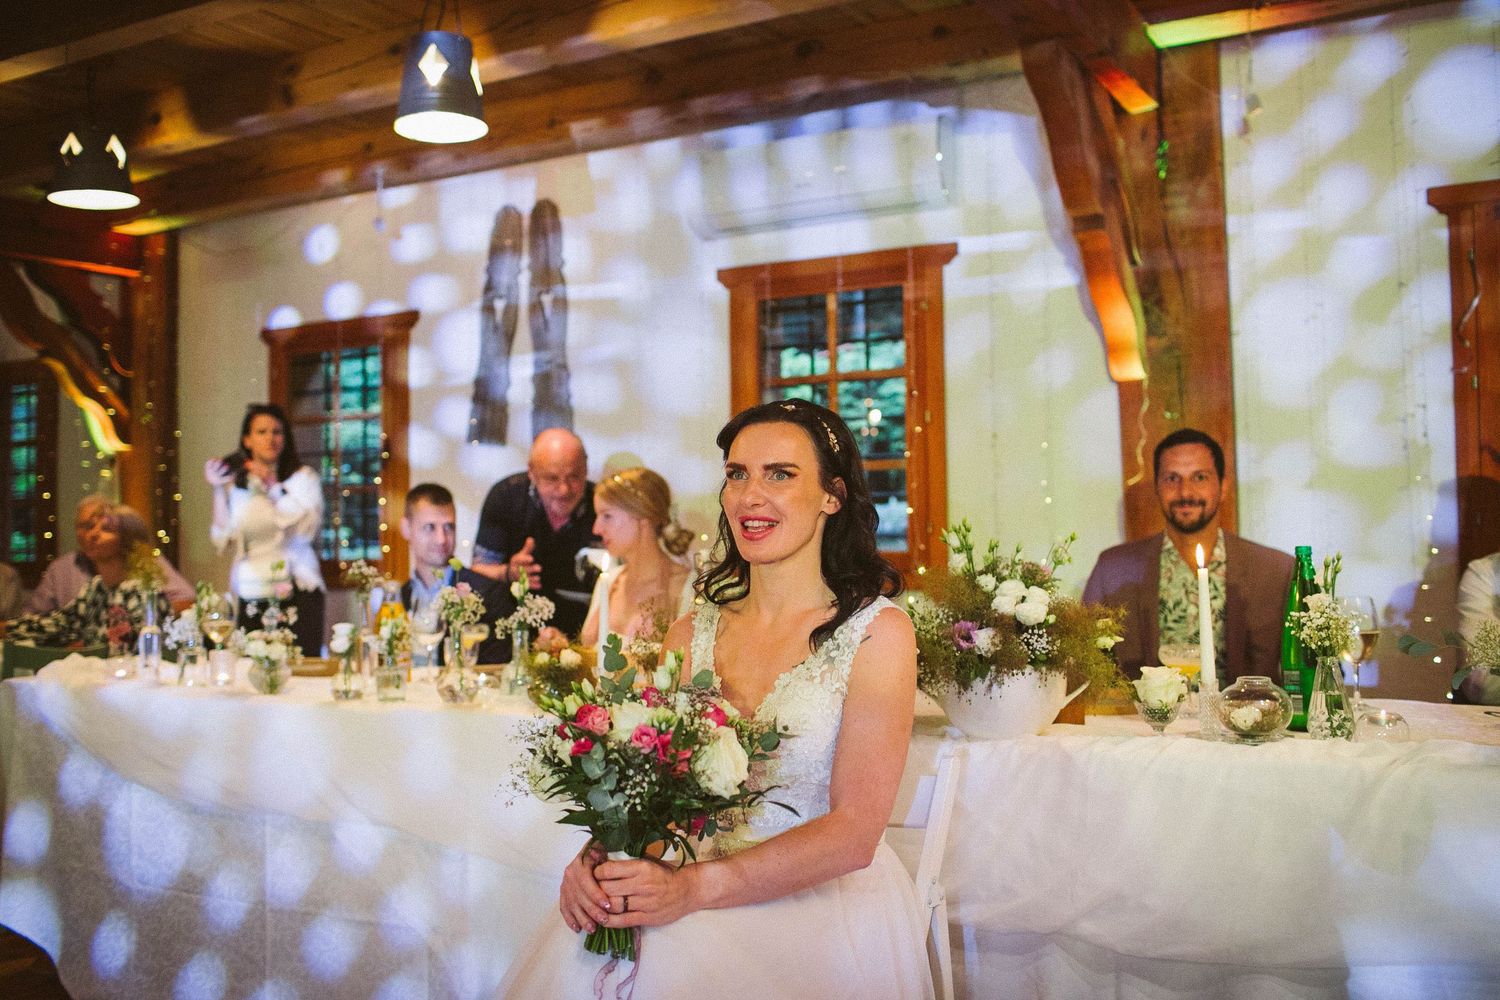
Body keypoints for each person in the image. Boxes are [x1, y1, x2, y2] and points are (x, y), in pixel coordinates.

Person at [501, 398, 932, 998]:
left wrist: (696, 889)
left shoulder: (877, 634)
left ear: (832, 496)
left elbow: (855, 831)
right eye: (737, 474)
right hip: (681, 873)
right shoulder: (690, 632)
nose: (751, 495)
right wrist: (599, 853)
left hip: (814, 905)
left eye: (780, 474)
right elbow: (642, 783)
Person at [1083, 428, 1293, 685]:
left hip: (1243, 722)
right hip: (1144, 723)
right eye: (1172, 478)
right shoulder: (1113, 570)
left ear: (1223, 487)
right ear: (1157, 488)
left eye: (1200, 477)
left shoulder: (1275, 571)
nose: (1185, 493)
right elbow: (1085, 665)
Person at [205, 404, 325, 656]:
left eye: (277, 432)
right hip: (252, 589)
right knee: (253, 665)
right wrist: (218, 488)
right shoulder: (237, 486)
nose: (270, 438)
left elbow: (305, 530)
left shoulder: (303, 479)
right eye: (261, 432)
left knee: (298, 666)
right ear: (247, 440)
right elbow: (221, 539)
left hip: (296, 587)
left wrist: (272, 487)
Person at [471, 428, 601, 637]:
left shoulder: (603, 506)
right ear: (531, 472)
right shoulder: (506, 497)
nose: (564, 490)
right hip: (516, 633)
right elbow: (477, 571)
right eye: (552, 478)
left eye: (574, 477)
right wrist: (508, 572)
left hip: (586, 636)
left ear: (586, 468)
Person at [5, 505, 171, 649]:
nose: (92, 535)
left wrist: (80, 652)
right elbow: (62, 624)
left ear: (128, 542)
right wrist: (7, 628)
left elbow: (125, 653)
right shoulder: (96, 588)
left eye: (106, 529)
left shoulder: (143, 592)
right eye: (91, 527)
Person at [579, 467, 697, 661]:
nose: (596, 528)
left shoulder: (686, 588)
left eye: (607, 516)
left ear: (643, 519)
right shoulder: (608, 582)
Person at [26, 494, 194, 614]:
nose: (92, 534)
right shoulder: (70, 574)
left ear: (125, 539)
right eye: (86, 526)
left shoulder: (145, 569)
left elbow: (188, 602)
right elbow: (40, 618)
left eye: (105, 528)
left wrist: (150, 613)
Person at [398, 482, 508, 664]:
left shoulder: (487, 594)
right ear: (406, 528)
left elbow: (497, 670)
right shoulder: (400, 597)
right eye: (430, 527)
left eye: (449, 527)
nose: (441, 539)